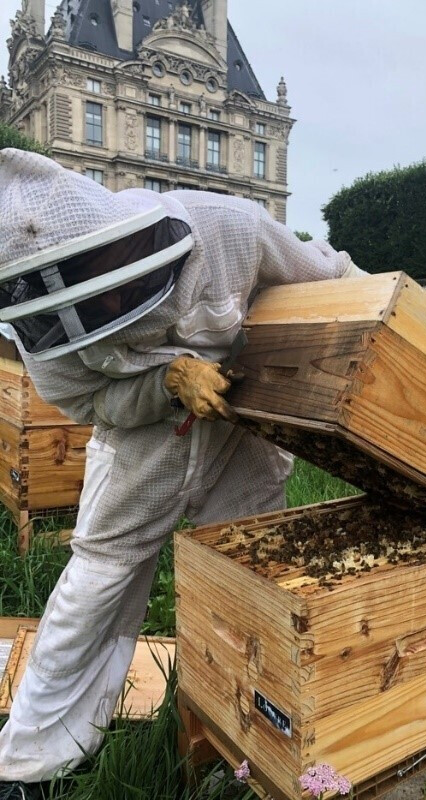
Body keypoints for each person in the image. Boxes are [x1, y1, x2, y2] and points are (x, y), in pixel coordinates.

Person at [0, 149, 364, 798]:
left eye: (95, 276)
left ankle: (254, 736)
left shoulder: (228, 228)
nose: (105, 302)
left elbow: (328, 276)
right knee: (96, 588)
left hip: (241, 438)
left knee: (249, 581)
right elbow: (85, 403)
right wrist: (168, 380)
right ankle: (33, 761)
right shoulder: (40, 329)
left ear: (114, 239)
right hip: (140, 452)